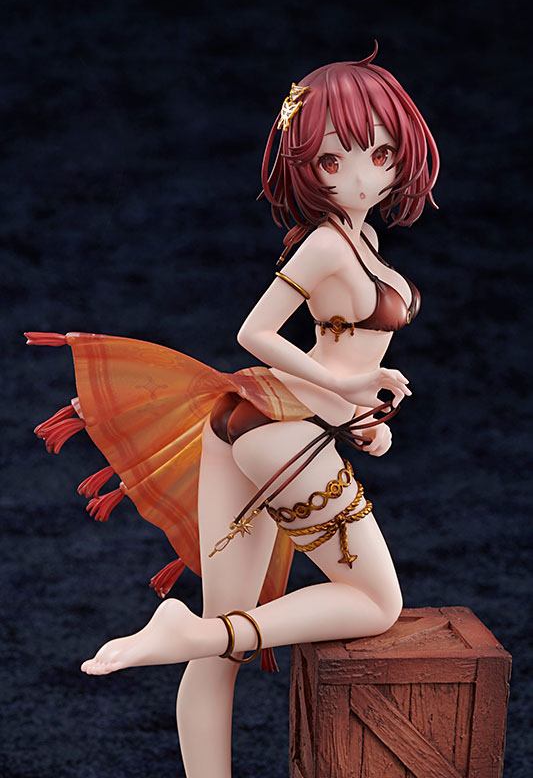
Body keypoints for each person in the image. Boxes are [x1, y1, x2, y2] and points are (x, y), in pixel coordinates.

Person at [25, 41, 439, 778]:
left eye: (379, 155)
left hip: (258, 422)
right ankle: (190, 632)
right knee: (374, 604)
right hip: (275, 427)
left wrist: (358, 416)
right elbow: (254, 333)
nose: (359, 178)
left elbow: (338, 352)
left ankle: (197, 658)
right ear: (302, 164)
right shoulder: (323, 246)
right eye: (332, 160)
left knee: (222, 649)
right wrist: (346, 391)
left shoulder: (363, 237)